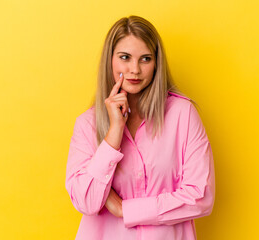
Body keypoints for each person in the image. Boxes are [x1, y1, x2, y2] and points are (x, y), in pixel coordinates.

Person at [65, 15, 215, 240]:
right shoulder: (87, 124)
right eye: (125, 57)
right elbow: (86, 202)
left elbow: (200, 196)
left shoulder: (182, 114)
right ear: (110, 60)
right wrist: (114, 131)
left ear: (156, 64)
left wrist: (125, 210)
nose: (135, 69)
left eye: (145, 59)